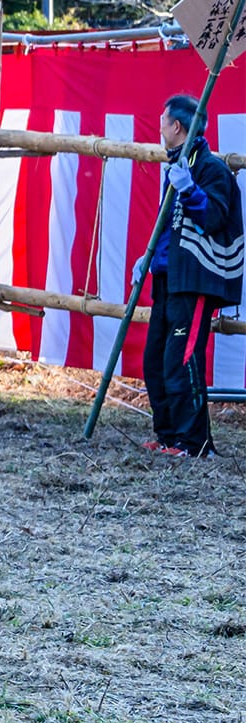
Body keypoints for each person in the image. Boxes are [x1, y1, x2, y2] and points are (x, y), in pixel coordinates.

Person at [129, 94, 246, 457]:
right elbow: (170, 228)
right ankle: (168, 435)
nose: (159, 127)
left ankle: (194, 443)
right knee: (155, 360)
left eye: (162, 121)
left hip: (196, 278)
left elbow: (212, 217)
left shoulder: (210, 169)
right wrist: (146, 258)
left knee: (182, 358)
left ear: (176, 126)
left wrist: (190, 190)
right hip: (168, 276)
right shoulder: (178, 167)